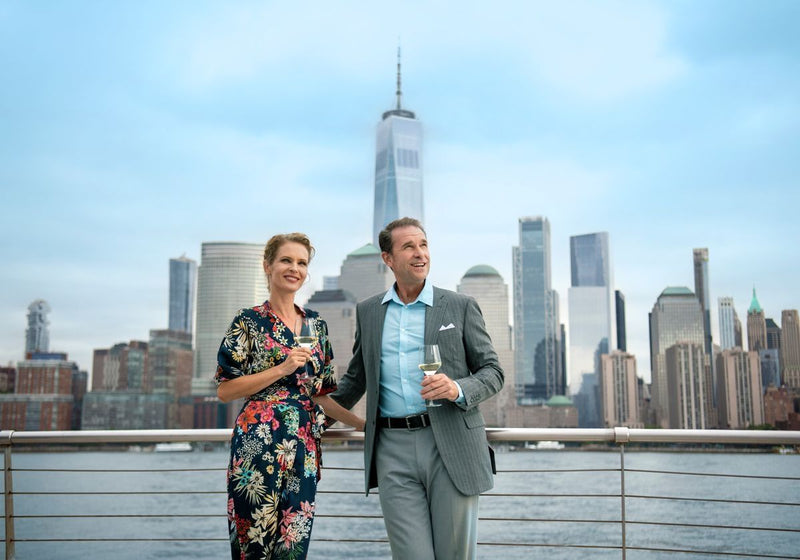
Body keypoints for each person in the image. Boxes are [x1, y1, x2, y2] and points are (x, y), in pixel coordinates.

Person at [331, 217, 504, 559]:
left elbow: (493, 372)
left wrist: (456, 388)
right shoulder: (368, 311)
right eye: (408, 246)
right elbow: (355, 380)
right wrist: (306, 417)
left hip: (451, 443)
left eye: (423, 245)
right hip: (391, 449)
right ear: (388, 259)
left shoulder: (460, 306)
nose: (419, 253)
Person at [215, 232, 365, 560]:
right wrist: (281, 369)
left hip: (304, 448)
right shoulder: (248, 321)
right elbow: (225, 390)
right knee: (254, 547)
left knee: (293, 548)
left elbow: (321, 395)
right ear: (267, 266)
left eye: (302, 263)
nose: (294, 268)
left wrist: (362, 425)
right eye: (286, 260)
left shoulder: (316, 325)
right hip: (258, 445)